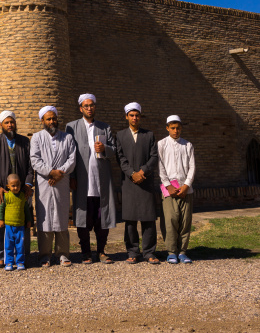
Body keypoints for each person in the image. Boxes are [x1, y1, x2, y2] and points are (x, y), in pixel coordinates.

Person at [66, 93, 116, 264]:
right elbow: (69, 153)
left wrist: (105, 148)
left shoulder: (105, 127)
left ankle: (101, 251)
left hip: (100, 180)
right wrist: (72, 176)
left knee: (102, 218)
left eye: (92, 105)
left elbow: (114, 150)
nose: (89, 108)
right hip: (81, 180)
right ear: (81, 108)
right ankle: (86, 252)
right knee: (83, 219)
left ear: (95, 107)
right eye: (86, 106)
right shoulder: (71, 127)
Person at [30, 106, 76, 267]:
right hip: (44, 182)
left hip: (62, 182)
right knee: (45, 218)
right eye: (48, 119)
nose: (52, 121)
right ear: (42, 121)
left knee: (62, 217)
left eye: (54, 118)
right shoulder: (36, 138)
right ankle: (45, 255)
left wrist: (59, 173)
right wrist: (50, 172)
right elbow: (35, 160)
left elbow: (72, 158)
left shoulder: (67, 138)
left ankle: (63, 254)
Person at [0, 110, 34, 268]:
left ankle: (21, 256)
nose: (10, 125)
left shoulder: (24, 142)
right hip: (1, 190)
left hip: (21, 191)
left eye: (12, 122)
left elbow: (30, 166)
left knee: (22, 221)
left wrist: (27, 184)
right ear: (1, 125)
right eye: (6, 122)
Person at [116, 102, 160, 265]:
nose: (135, 118)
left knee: (148, 218)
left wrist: (142, 172)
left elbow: (154, 156)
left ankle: (149, 252)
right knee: (130, 219)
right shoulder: (120, 135)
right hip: (129, 183)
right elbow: (120, 158)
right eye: (132, 115)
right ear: (127, 116)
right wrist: (132, 174)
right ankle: (133, 252)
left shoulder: (149, 135)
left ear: (140, 117)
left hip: (146, 182)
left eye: (137, 115)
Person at [158, 115, 196, 264]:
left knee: (185, 221)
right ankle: (171, 251)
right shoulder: (161, 144)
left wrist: (186, 185)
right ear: (167, 128)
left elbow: (192, 167)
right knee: (171, 220)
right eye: (172, 128)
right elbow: (160, 166)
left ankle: (182, 252)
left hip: (186, 189)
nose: (175, 131)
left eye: (178, 128)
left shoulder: (187, 145)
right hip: (169, 190)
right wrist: (167, 185)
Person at [0, 174, 32, 271]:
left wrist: (29, 220)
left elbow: (26, 210)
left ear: (20, 185)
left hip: (20, 226)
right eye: (13, 186)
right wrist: (1, 219)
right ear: (8, 186)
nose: (16, 187)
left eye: (17, 185)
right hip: (9, 226)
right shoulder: (6, 196)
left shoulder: (22, 197)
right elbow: (1, 209)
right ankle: (9, 262)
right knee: (8, 245)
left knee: (20, 245)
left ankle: (20, 262)